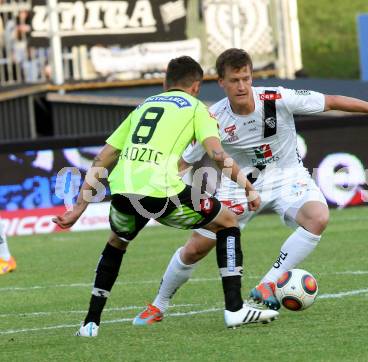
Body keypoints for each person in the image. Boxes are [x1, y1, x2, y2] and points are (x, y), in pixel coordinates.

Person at [142, 48, 368, 320]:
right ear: (221, 82)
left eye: (246, 78)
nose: (241, 86)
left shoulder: (277, 98)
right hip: (238, 187)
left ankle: (267, 283)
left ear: (252, 77)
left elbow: (332, 101)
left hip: (288, 177)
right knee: (194, 249)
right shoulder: (212, 118)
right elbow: (185, 161)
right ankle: (158, 305)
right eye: (234, 80)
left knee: (318, 217)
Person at [52, 56, 278, 337]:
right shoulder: (197, 108)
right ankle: (235, 310)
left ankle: (90, 323)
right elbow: (217, 155)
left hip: (122, 190)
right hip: (162, 192)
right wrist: (248, 186)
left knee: (117, 241)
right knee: (228, 221)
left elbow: (103, 156)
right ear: (196, 86)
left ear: (164, 84)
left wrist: (78, 209)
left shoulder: (142, 106)